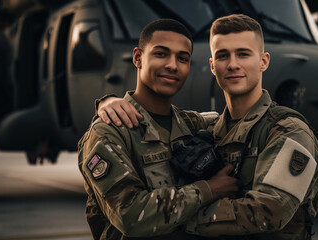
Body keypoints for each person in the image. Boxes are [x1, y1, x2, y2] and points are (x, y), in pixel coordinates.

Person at [99, 14, 318, 240]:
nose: (233, 65)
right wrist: (107, 103)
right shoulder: (212, 128)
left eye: (243, 54)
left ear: (263, 61)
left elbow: (271, 211)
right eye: (223, 56)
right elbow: (153, 117)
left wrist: (178, 220)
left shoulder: (287, 130)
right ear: (213, 65)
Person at [77, 19, 240, 239]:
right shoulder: (110, 132)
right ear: (138, 58)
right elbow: (131, 216)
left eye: (182, 58)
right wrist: (208, 190)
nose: (172, 65)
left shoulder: (192, 124)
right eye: (161, 54)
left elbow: (243, 123)